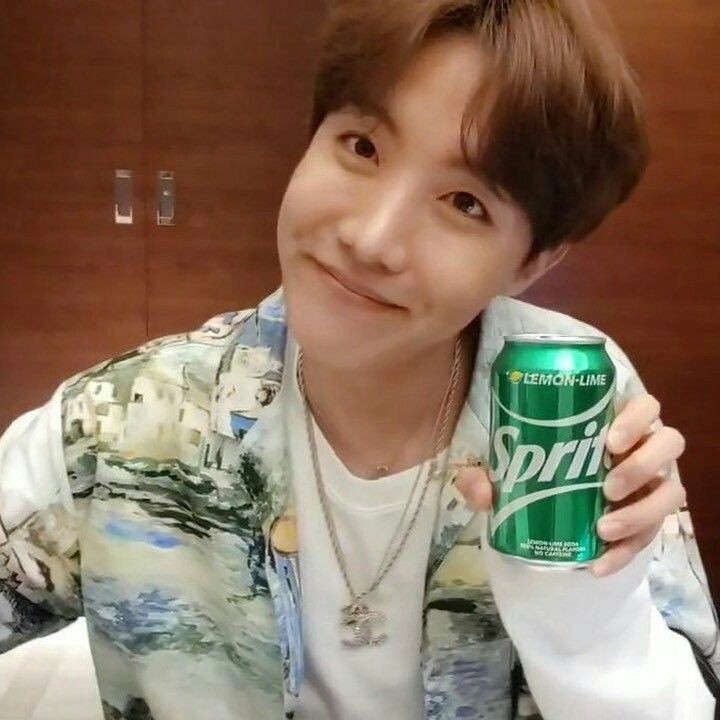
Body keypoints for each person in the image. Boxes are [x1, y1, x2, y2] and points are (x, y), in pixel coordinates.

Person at [0, 1, 718, 718]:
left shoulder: (573, 419)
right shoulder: (125, 424)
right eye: (363, 147)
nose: (371, 239)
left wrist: (589, 624)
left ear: (533, 262)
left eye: (465, 202)